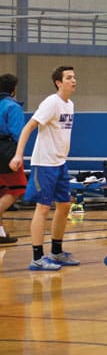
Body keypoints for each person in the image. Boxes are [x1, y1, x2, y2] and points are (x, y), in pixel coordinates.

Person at [10, 66, 78, 270]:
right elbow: (28, 127)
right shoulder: (51, 103)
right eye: (69, 77)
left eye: (74, 77)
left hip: (60, 163)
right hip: (44, 164)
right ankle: (37, 258)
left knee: (64, 205)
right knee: (43, 208)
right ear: (58, 82)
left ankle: (56, 252)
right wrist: (18, 154)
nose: (73, 80)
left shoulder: (70, 105)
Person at [0, 73, 27, 244]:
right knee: (17, 189)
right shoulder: (12, 106)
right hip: (6, 151)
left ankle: (1, 233)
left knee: (2, 191)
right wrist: (18, 155)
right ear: (13, 89)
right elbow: (18, 134)